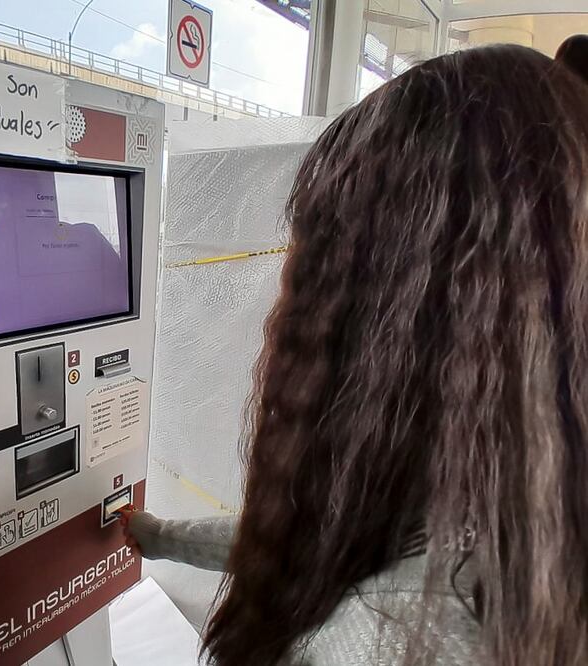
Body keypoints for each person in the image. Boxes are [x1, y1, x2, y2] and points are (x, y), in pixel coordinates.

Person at [121, 42, 588, 666]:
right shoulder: (506, 496)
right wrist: (157, 536)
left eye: (315, 261)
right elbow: (317, 546)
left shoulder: (389, 631)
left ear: (387, 311)